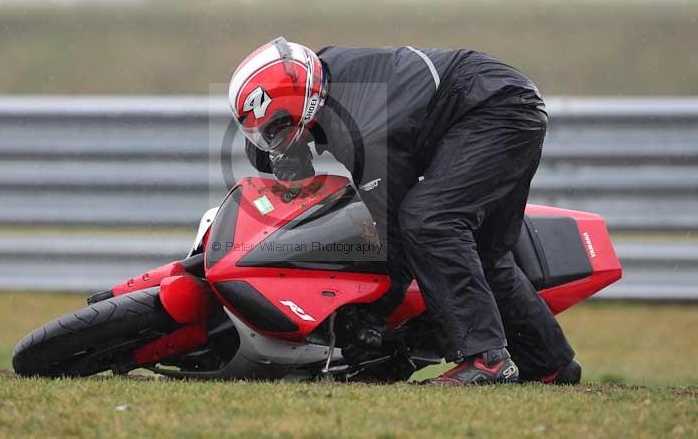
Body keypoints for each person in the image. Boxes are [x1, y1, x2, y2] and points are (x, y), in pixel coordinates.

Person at [227, 37, 581, 385]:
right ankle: (548, 363)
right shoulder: (318, 74)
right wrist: (285, 152)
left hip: (494, 110)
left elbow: (394, 235)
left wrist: (371, 318)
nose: (271, 139)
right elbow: (284, 117)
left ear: (299, 107)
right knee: (485, 251)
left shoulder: (366, 130)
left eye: (275, 128)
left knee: (428, 221)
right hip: (502, 100)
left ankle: (485, 358)